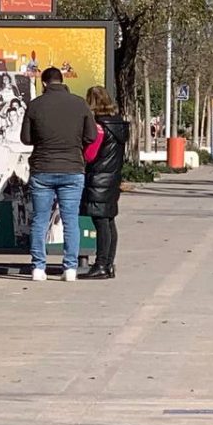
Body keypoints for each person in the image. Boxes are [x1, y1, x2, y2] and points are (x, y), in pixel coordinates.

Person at [21, 67, 97, 282]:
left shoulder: (35, 105)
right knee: (71, 220)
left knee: (40, 220)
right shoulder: (79, 103)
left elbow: (26, 138)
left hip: (42, 169)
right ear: (61, 81)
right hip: (73, 169)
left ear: (44, 83)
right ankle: (70, 268)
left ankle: (38, 268)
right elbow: (91, 136)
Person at [80, 86, 128, 280]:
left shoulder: (99, 127)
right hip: (112, 178)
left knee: (100, 222)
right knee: (109, 220)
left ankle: (101, 264)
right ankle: (108, 264)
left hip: (98, 178)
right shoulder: (119, 125)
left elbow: (90, 155)